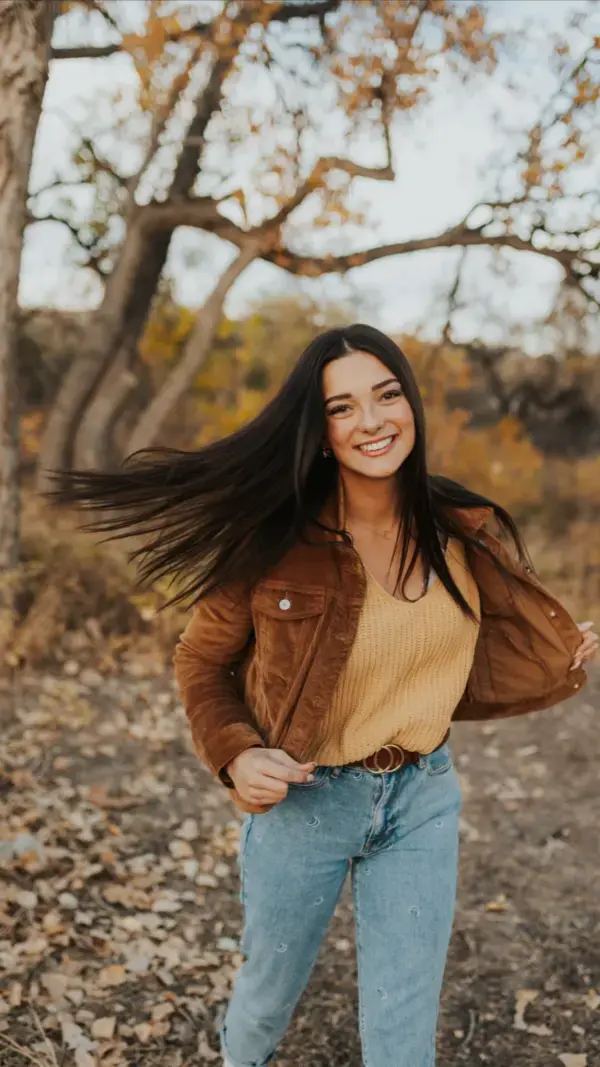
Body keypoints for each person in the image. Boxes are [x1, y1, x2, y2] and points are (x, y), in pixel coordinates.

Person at [52, 324, 598, 1067]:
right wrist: (236, 754)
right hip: (306, 803)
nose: (372, 420)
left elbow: (472, 649)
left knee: (404, 1031)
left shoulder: (462, 528)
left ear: (411, 403)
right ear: (319, 431)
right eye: (343, 408)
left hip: (422, 797)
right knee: (268, 996)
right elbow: (200, 662)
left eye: (387, 394)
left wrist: (559, 646)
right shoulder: (276, 540)